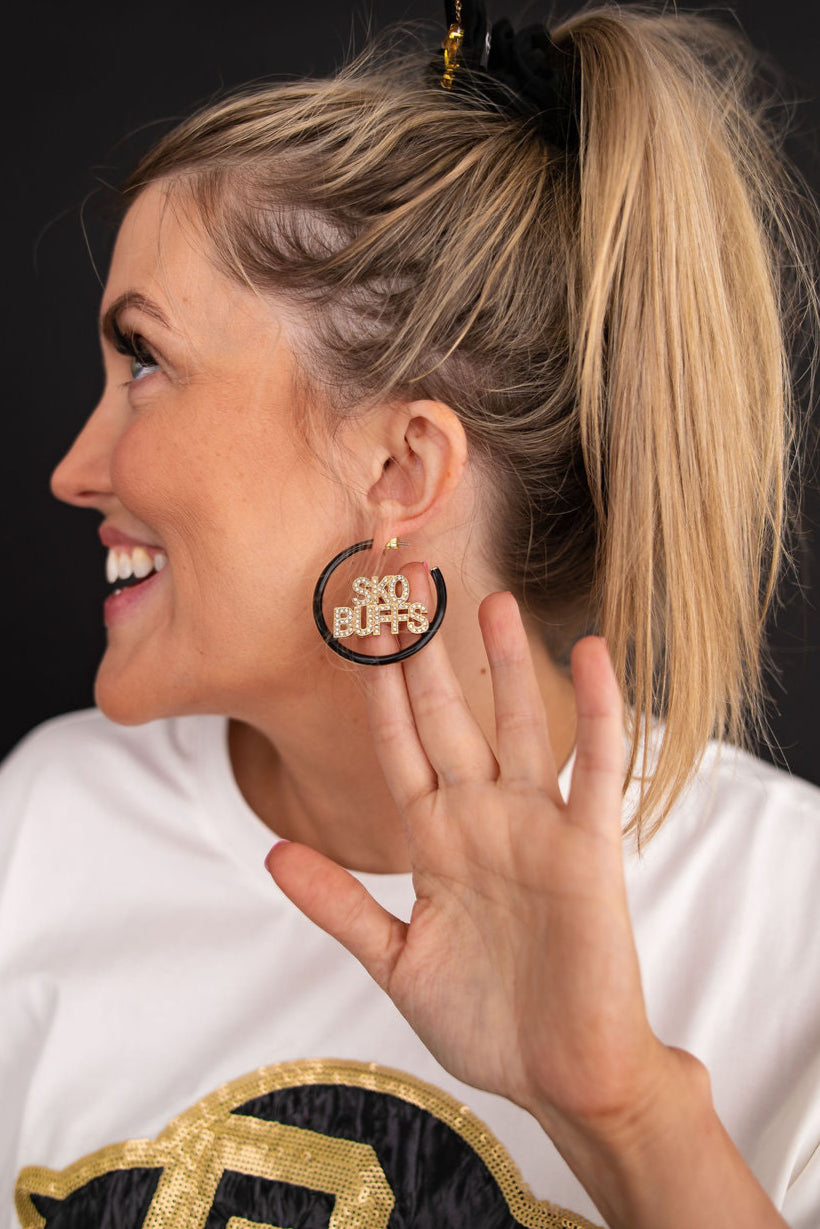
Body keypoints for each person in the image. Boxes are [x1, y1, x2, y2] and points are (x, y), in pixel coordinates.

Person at [2, 1, 819, 1225]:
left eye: (147, 362)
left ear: (399, 470)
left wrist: (622, 1112)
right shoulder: (41, 829)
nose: (75, 468)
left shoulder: (790, 919)